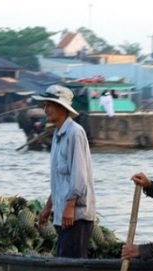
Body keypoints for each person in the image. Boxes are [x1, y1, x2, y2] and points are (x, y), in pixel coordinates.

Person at [33, 85, 96, 258]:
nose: (45, 109)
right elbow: (59, 180)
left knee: (71, 266)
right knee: (64, 262)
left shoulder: (75, 133)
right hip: (64, 215)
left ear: (62, 108)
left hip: (76, 216)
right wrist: (47, 208)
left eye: (49, 105)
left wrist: (69, 206)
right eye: (44, 105)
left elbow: (79, 175)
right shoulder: (57, 135)